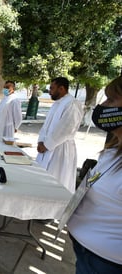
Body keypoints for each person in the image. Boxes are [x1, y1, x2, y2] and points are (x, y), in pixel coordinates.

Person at [67, 75, 122, 273]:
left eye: (111, 100)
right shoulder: (113, 150)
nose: (104, 106)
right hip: (87, 253)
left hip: (106, 263)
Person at [36, 77, 83, 193]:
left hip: (61, 149)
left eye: (52, 88)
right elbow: (46, 126)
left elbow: (66, 128)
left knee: (57, 180)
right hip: (46, 147)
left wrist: (47, 144)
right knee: (42, 180)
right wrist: (41, 141)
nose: (49, 91)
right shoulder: (57, 104)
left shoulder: (72, 104)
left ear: (61, 88)